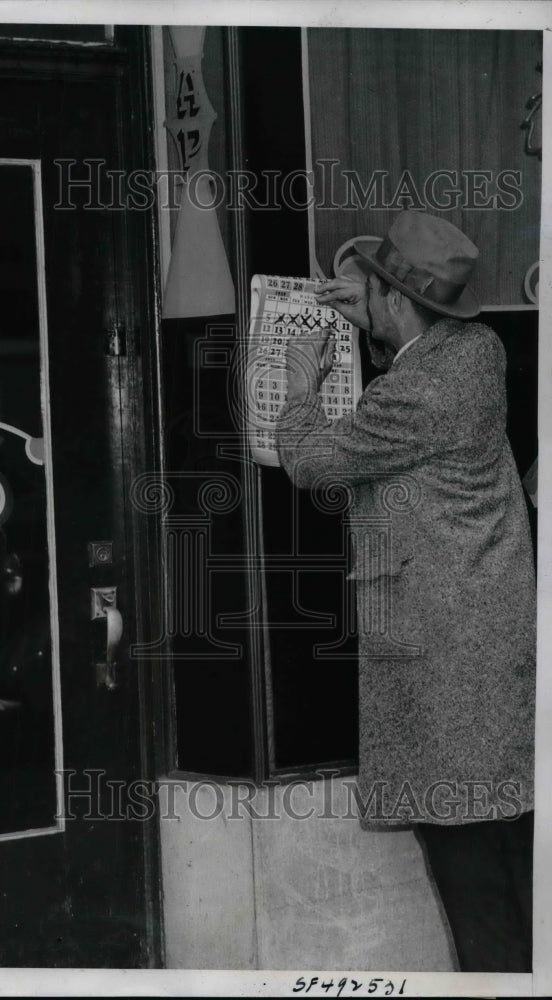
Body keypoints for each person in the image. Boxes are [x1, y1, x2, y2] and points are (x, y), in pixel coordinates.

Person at [276, 210, 535, 972]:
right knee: (515, 858)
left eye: (375, 291)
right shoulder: (480, 352)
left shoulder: (416, 392)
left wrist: (299, 386)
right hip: (493, 650)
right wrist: (382, 324)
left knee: (473, 879)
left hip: (446, 669)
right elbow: (421, 369)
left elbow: (316, 462)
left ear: (393, 299)